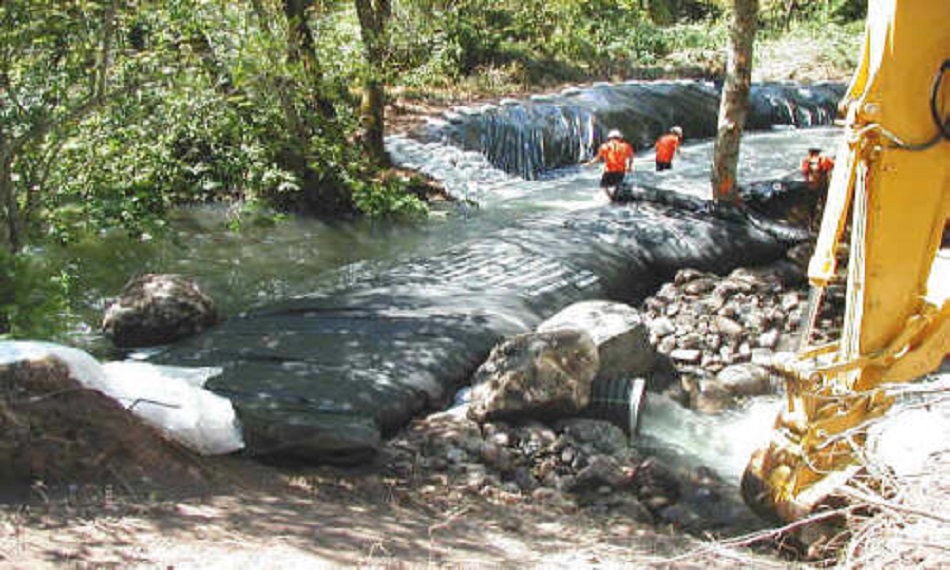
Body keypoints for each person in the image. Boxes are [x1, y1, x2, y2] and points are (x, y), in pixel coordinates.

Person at [585, 129, 634, 200]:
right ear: (620, 138)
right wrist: (629, 167)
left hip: (609, 171)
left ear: (609, 138)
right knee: (617, 185)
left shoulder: (604, 146)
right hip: (621, 171)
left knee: (604, 186)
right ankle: (617, 197)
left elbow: (597, 158)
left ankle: (611, 198)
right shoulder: (626, 146)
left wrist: (588, 163)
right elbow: (631, 157)